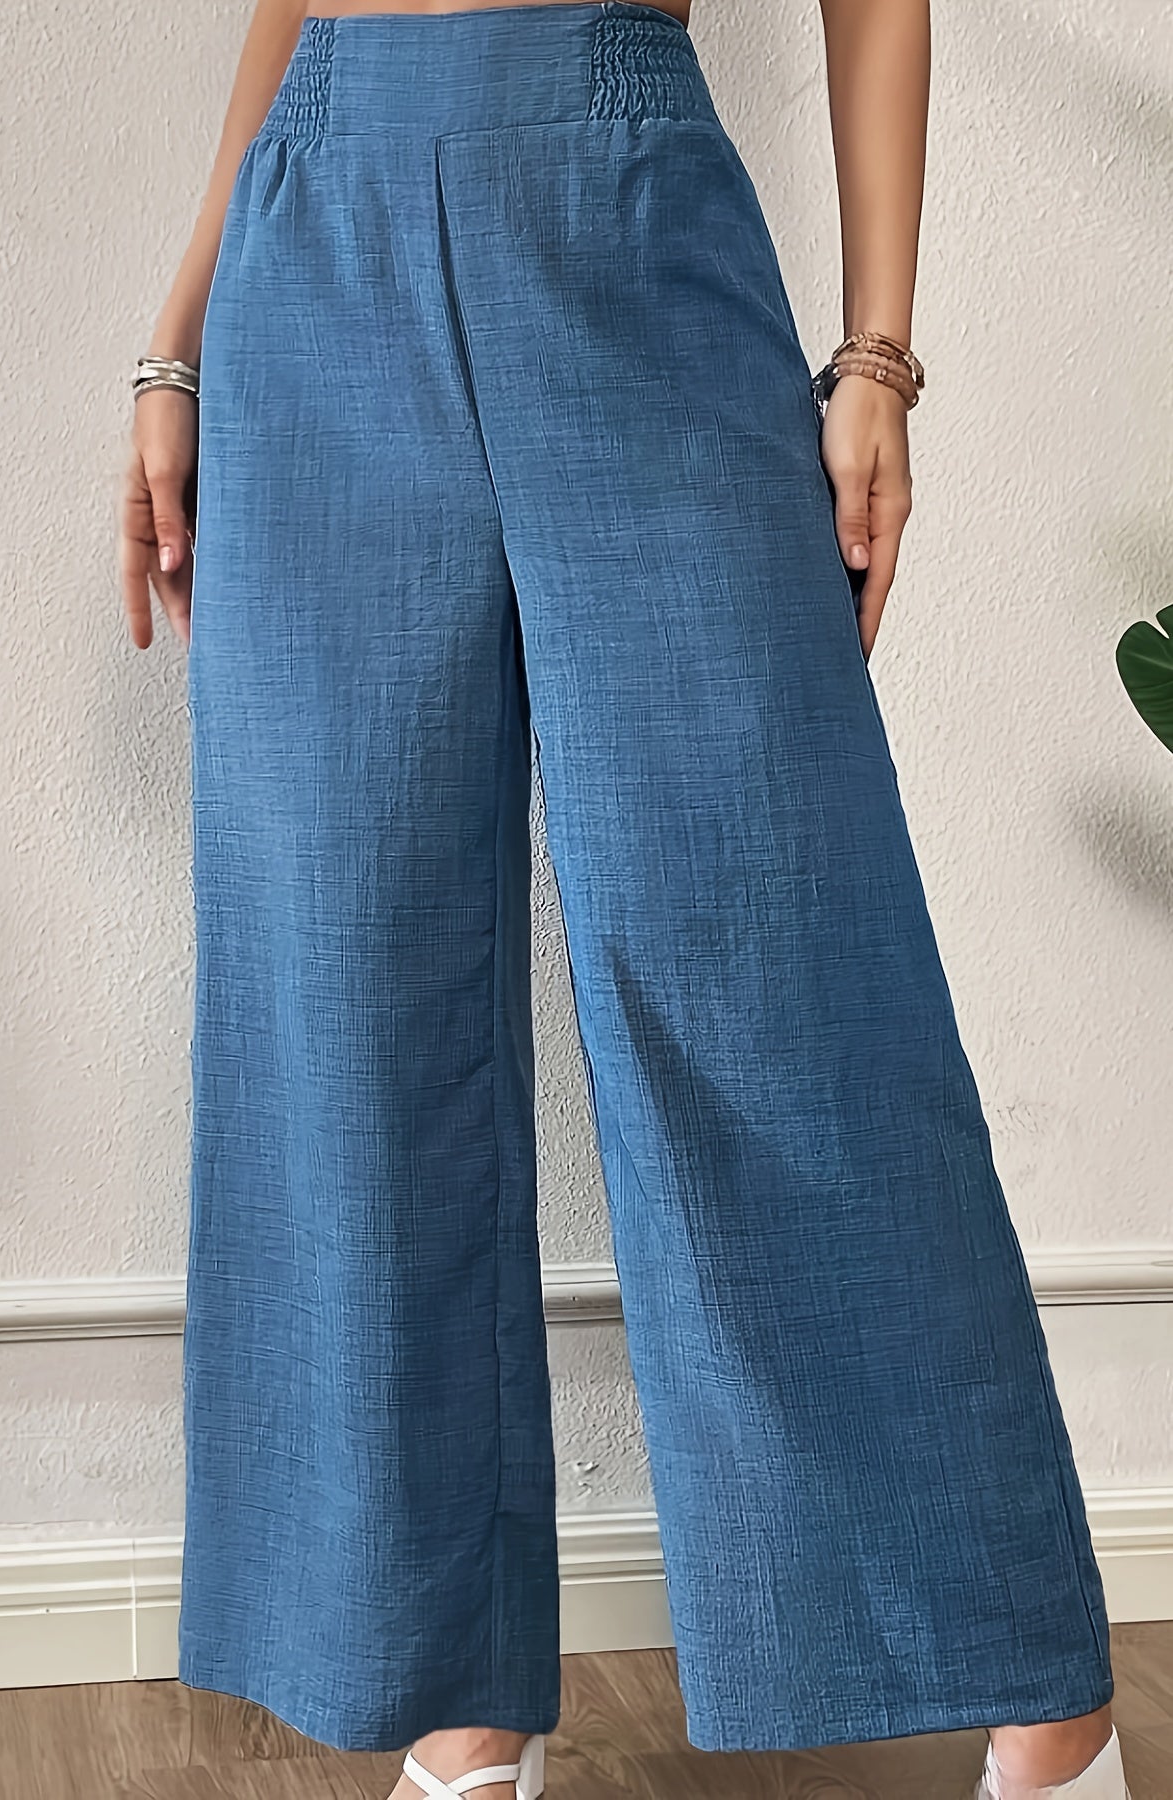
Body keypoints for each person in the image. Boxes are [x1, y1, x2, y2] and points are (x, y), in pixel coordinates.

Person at [116, 2, 1134, 1797]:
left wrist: (877, 358)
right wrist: (176, 346)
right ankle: (452, 1699)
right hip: (314, 241)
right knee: (345, 987)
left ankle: (1036, 1690)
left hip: (623, 197)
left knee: (766, 958)